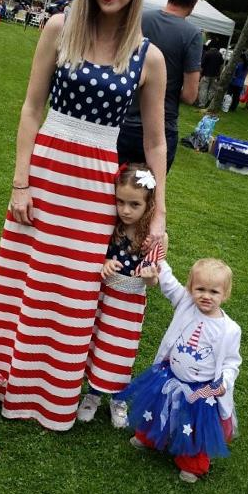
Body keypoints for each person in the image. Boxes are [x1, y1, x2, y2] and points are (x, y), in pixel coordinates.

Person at [0, 0, 167, 432]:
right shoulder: (59, 28)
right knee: (24, 277)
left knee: (73, 292)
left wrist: (158, 213)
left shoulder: (149, 57)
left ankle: (50, 394)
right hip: (46, 173)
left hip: (97, 185)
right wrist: (21, 182)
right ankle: (4, 380)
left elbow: (157, 143)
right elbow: (30, 107)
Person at [119, 256, 242, 483]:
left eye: (214, 292)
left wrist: (224, 382)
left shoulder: (230, 330)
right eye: (200, 289)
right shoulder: (185, 303)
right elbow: (168, 283)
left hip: (200, 390)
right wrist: (160, 260)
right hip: (169, 376)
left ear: (225, 294)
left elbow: (231, 362)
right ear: (190, 288)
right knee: (156, 410)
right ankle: (148, 437)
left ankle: (191, 463)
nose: (206, 296)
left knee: (192, 426)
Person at [77, 163, 166, 428]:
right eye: (120, 202)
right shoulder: (110, 225)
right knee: (96, 344)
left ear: (149, 205)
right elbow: (98, 254)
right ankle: (92, 394)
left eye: (134, 204)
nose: (125, 210)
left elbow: (152, 280)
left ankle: (118, 398)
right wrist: (105, 263)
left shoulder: (154, 237)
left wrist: (150, 275)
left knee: (120, 351)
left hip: (130, 304)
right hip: (104, 299)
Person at [118, 0, 206, 173]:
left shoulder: (140, 19)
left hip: (124, 119)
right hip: (161, 126)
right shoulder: (192, 35)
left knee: (112, 188)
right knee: (147, 196)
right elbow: (190, 95)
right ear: (195, 0)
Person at [197, 39, 224, 108]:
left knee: (203, 89)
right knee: (212, 90)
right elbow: (221, 66)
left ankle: (202, 104)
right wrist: (219, 75)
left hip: (206, 74)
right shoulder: (220, 55)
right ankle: (208, 103)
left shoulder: (207, 53)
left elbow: (202, 65)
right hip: (215, 75)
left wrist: (200, 74)